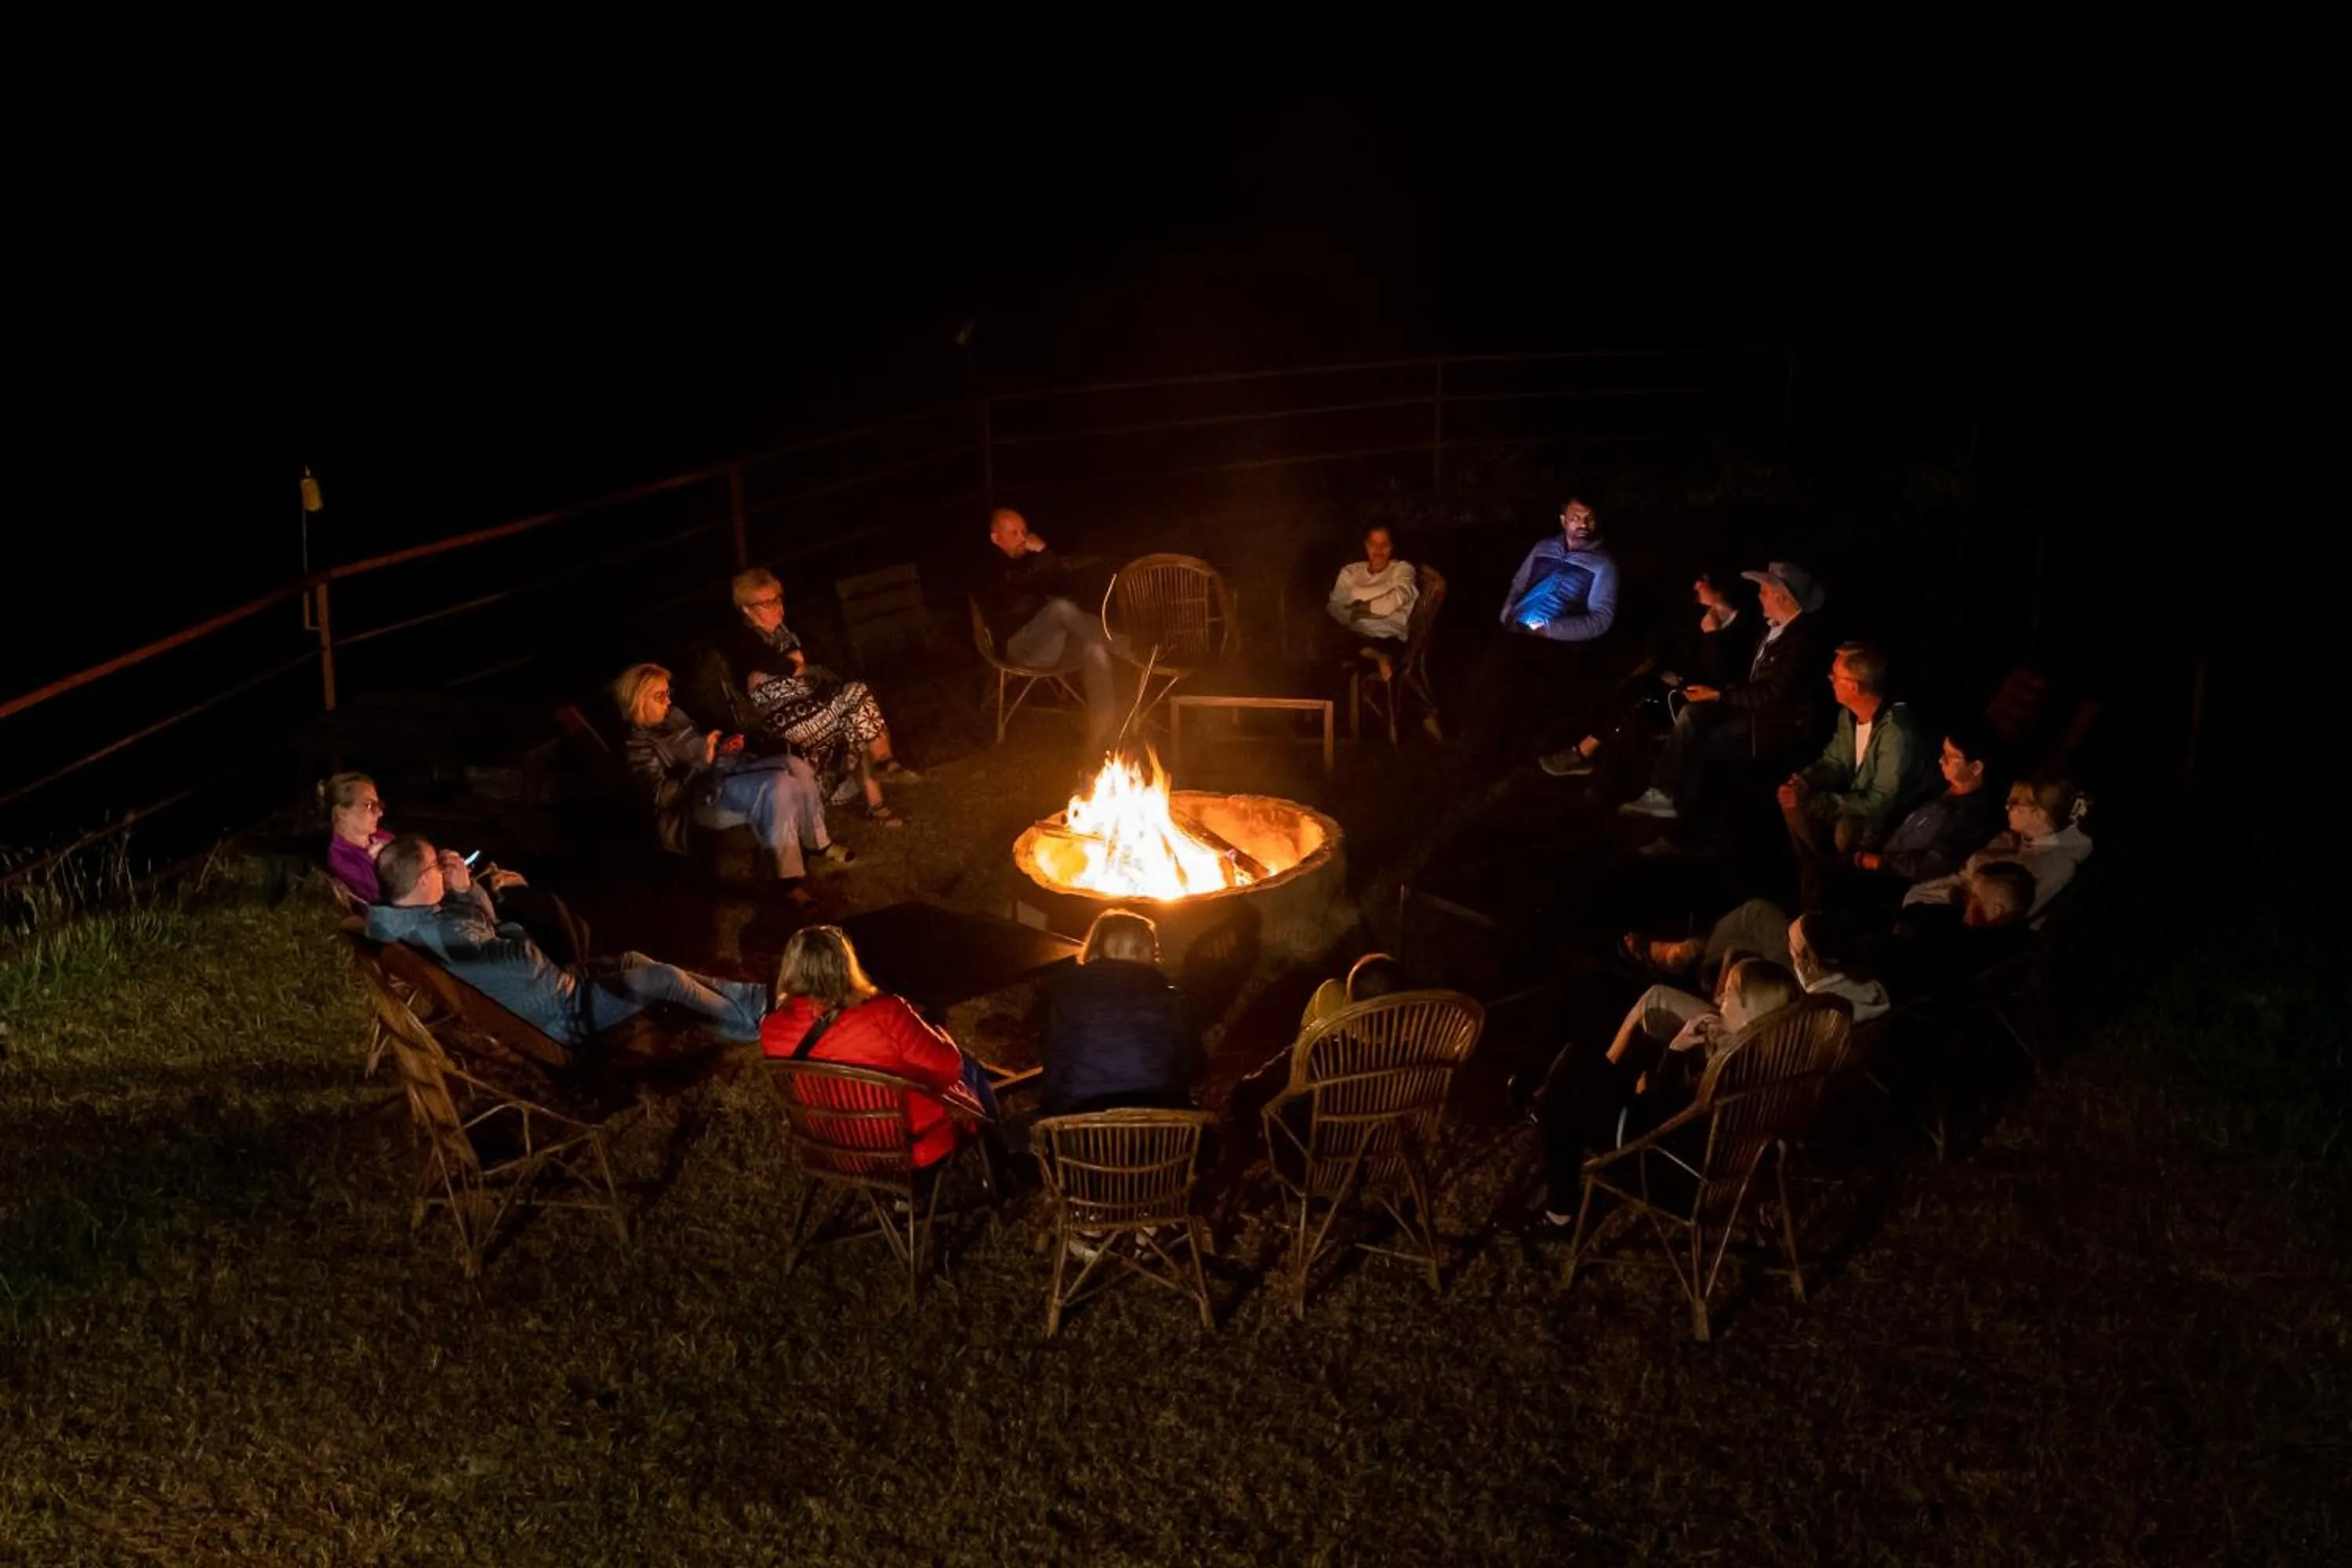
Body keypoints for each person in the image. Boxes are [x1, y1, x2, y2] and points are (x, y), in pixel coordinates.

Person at [364, 834, 769, 1047]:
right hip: (564, 1014)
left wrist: (465, 895)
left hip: (555, 991)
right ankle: (745, 1025)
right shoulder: (445, 931)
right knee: (662, 978)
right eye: (436, 866)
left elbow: (487, 939)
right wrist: (471, 896)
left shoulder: (414, 921)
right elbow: (521, 959)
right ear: (420, 881)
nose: (443, 872)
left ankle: (745, 998)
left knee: (633, 958)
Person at [1512, 957, 1806, 1239]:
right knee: (1580, 1058)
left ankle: (1559, 1211)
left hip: (1664, 1170)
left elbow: (1653, 1118)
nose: (1718, 1001)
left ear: (1751, 1013)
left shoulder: (1728, 1072)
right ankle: (1545, 1108)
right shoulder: (1772, 1069)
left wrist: (1676, 1051)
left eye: (1728, 995)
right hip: (1712, 1170)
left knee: (1569, 1080)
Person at [1619, 560, 1834, 837]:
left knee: (1706, 744)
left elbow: (1775, 693)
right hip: (1752, 711)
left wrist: (1720, 695)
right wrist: (1715, 641)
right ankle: (1661, 795)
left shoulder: (1801, 641)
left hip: (1776, 725)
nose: (1759, 596)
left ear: (1781, 596)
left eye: (1765, 591)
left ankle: (1684, 833)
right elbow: (1734, 670)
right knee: (1692, 714)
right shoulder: (1772, 629)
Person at [761, 925, 999, 1171]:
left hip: (833, 1148)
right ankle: (1001, 1153)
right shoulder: (885, 1013)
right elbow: (950, 1067)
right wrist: (941, 1034)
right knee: (968, 1067)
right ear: (846, 965)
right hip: (909, 1148)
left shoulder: (772, 1029)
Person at [615, 662, 848, 906]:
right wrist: (702, 764)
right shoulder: (638, 746)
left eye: (668, 693)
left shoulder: (674, 716)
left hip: (725, 770)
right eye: (659, 696)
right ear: (637, 701)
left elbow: (699, 746)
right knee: (777, 786)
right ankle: (787, 883)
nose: (668, 701)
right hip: (700, 798)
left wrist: (724, 746)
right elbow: (663, 797)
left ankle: (818, 842)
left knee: (795, 765)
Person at [320, 771, 591, 965]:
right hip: (437, 915)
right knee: (544, 911)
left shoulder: (382, 838)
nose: (379, 813)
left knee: (556, 910)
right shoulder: (343, 861)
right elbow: (400, 893)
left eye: (380, 805)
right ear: (341, 812)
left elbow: (417, 866)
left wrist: (446, 864)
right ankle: (569, 975)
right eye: (369, 806)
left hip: (442, 896)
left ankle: (573, 968)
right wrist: (454, 886)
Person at [724, 568, 918, 826]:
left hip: (811, 705)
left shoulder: (786, 632)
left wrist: (794, 665)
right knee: (857, 698)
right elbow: (779, 664)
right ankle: (884, 767)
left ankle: (880, 793)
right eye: (767, 603)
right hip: (782, 721)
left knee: (858, 711)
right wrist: (794, 664)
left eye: (778, 599)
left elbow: (813, 656)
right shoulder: (742, 640)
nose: (777, 607)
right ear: (747, 609)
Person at [1541, 568, 1759, 778]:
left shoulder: (1740, 626)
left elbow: (1720, 675)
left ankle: (1585, 755)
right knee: (1633, 687)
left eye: (1702, 581)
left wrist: (1713, 637)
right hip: (1681, 685)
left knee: (1635, 698)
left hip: (1706, 697)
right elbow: (1684, 655)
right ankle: (1586, 754)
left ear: (1719, 586)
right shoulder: (1699, 617)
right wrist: (1669, 670)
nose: (1696, 586)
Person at [1461, 498, 1620, 767]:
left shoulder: (1602, 566)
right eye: (1575, 517)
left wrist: (1550, 630)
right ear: (1563, 520)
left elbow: (1600, 619)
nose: (1582, 524)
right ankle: (1477, 733)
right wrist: (1507, 613)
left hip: (1556, 642)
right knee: (1488, 664)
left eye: (1588, 519)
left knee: (1507, 671)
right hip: (1518, 629)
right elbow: (1519, 583)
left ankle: (1493, 748)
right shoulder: (1544, 548)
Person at [1777, 642, 1939, 871]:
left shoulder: (1897, 732)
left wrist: (1814, 803)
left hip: (1892, 811)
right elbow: (1836, 761)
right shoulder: (1850, 715)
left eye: (1835, 676)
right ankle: (1819, 870)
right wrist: (1804, 782)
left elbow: (1882, 798)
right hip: (1858, 796)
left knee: (1846, 831)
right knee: (1791, 803)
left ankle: (1834, 875)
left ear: (1853, 687)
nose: (1829, 678)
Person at [1810, 722, 2005, 909]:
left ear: (1976, 767)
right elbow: (1899, 812)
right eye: (1942, 753)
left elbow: (1935, 861)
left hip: (1896, 878)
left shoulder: (1971, 815)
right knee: (1820, 873)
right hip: (1882, 853)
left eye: (1950, 757)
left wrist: (1882, 863)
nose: (1941, 760)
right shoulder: (1938, 785)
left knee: (1830, 885)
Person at [974, 508, 1119, 755]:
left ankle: (1103, 738)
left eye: (1024, 531)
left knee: (1096, 647)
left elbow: (1062, 583)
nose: (1022, 537)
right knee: (1060, 609)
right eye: (1014, 533)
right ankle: (1129, 646)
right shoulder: (987, 567)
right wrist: (1042, 557)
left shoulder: (1028, 560)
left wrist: (1044, 559)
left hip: (1049, 645)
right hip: (1017, 648)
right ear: (995, 538)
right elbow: (1018, 604)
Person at [1040, 910, 1200, 1116]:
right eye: (1154, 951)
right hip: (1161, 1126)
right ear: (1141, 951)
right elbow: (1193, 1068)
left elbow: (1054, 1067)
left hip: (1082, 1126)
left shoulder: (1068, 997)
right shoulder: (1170, 1000)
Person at [1904, 777, 2092, 919]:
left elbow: (1999, 916)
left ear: (2039, 815)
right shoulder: (2015, 838)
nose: (2007, 807)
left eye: (2015, 804)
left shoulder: (2054, 867)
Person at [1319, 526, 1419, 684]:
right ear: (1366, 545)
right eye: (1374, 544)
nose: (1378, 550)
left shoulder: (1402, 569)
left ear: (1391, 547)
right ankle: (1373, 655)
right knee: (1323, 630)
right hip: (1351, 633)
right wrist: (1352, 616)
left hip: (1386, 638)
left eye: (1384, 544)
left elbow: (1397, 598)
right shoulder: (1351, 571)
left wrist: (1359, 610)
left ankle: (1372, 655)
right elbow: (1335, 606)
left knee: (1335, 648)